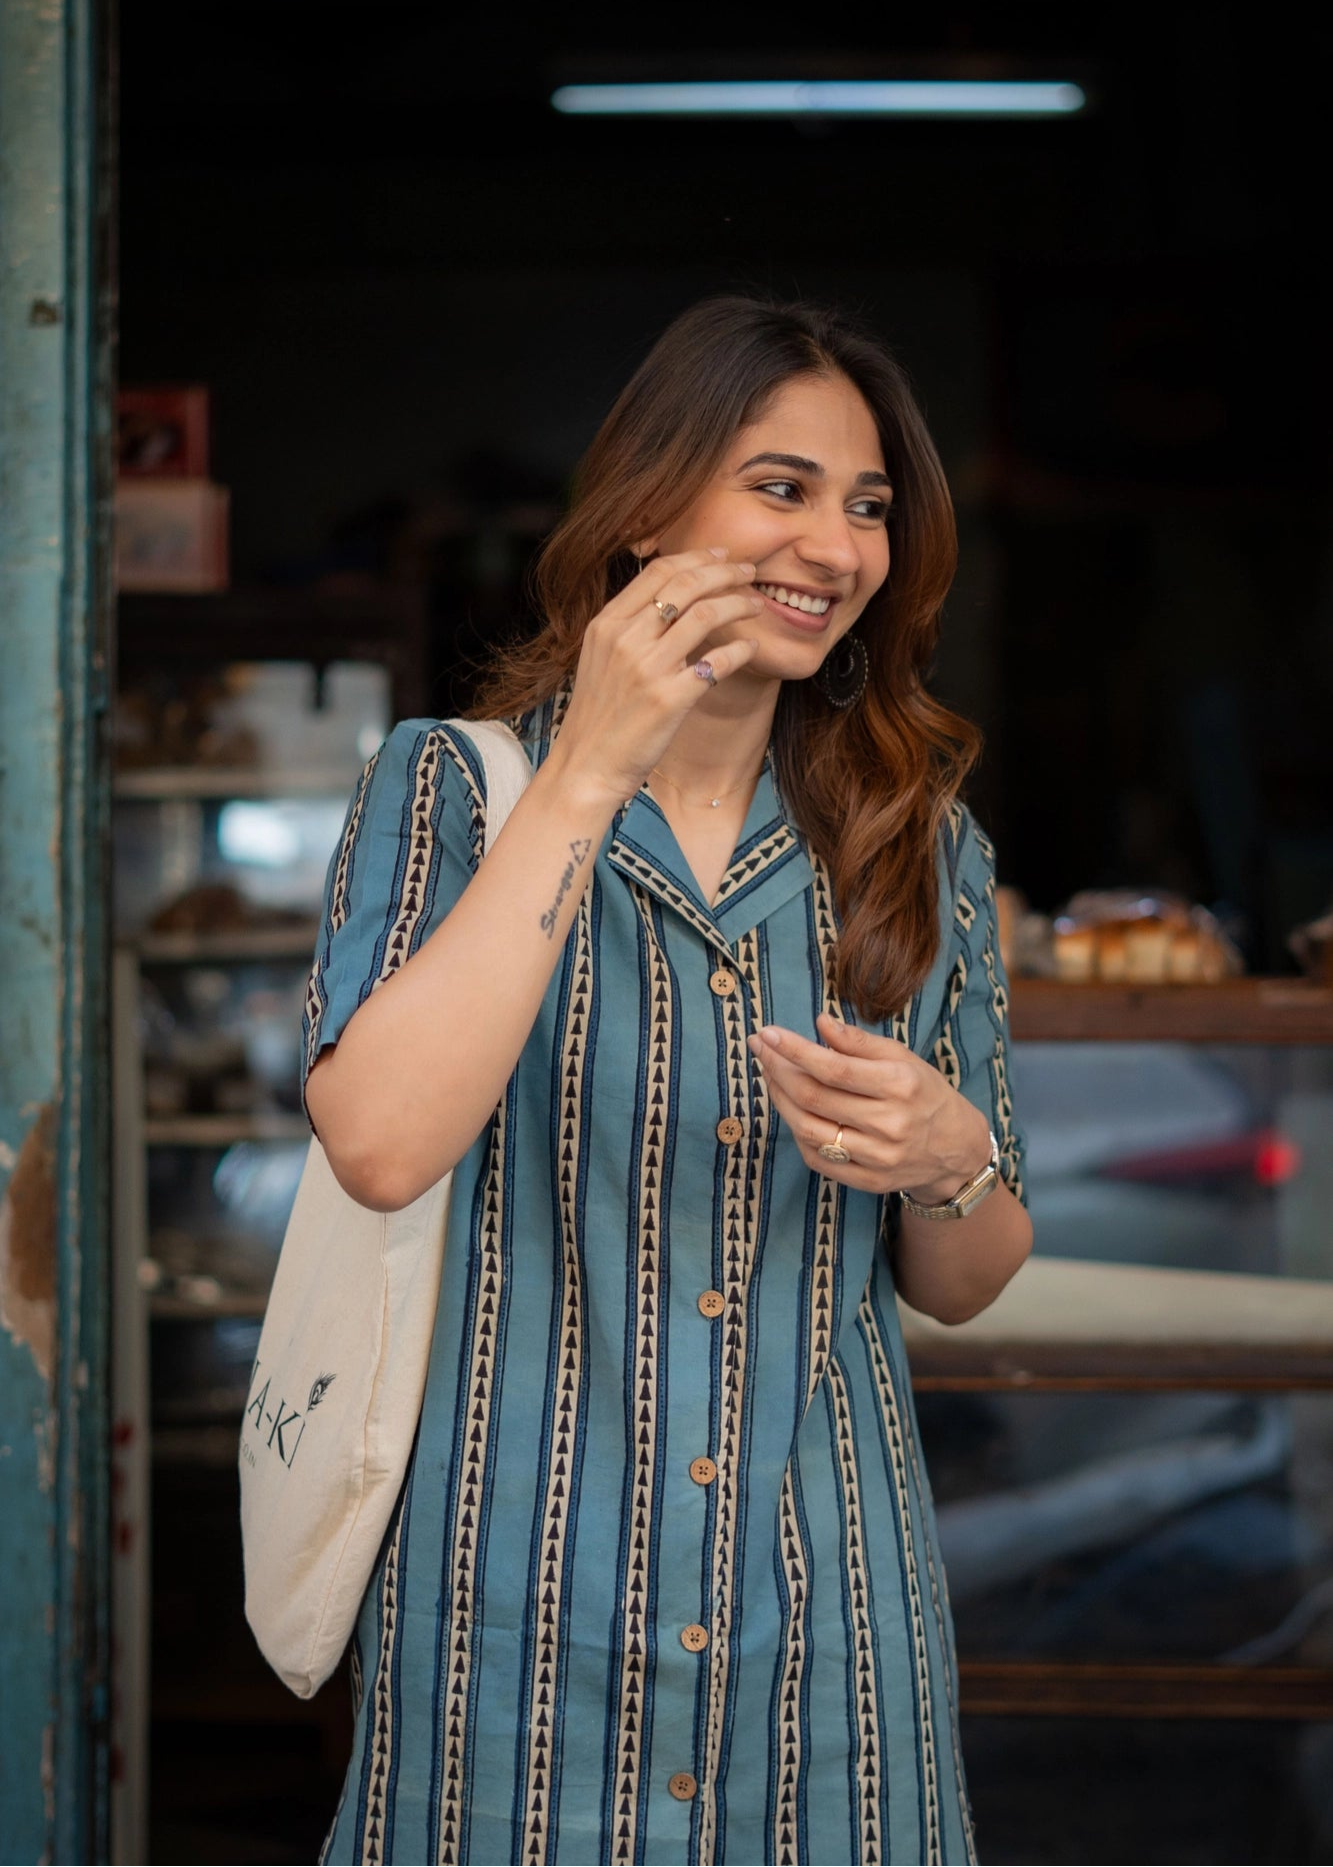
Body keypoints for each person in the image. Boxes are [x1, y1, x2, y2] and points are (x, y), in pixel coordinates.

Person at [302, 295, 1033, 1867]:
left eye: (868, 506)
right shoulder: (447, 787)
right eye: (780, 487)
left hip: (833, 1638)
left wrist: (951, 1152)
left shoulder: (916, 847)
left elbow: (970, 1279)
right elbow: (375, 1143)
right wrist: (590, 769)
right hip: (505, 1628)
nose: (834, 547)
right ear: (647, 506)